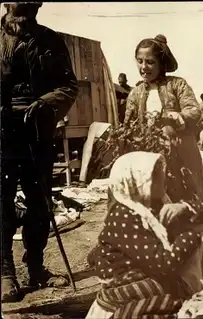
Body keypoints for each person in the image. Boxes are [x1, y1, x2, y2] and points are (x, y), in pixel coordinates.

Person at [1, 2, 78, 302]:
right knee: (2, 201)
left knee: (40, 202)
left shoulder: (50, 39)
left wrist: (47, 103)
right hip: (3, 135)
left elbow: (68, 85)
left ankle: (36, 268)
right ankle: (5, 272)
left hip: (37, 133)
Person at [86, 152, 203, 318]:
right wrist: (192, 235)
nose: (164, 177)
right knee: (200, 234)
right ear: (138, 181)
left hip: (147, 273)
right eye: (154, 175)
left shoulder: (152, 204)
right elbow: (164, 264)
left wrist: (184, 207)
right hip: (127, 287)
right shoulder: (124, 215)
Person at [123, 34, 203, 241]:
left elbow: (194, 110)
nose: (144, 66)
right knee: (154, 197)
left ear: (161, 63)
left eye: (150, 62)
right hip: (151, 156)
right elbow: (128, 125)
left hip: (181, 152)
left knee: (187, 193)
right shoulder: (136, 92)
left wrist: (179, 116)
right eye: (140, 61)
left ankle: (198, 244)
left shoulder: (177, 85)